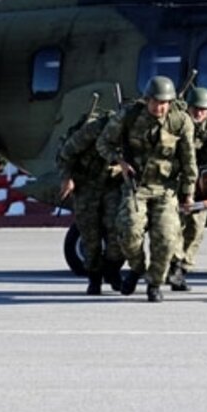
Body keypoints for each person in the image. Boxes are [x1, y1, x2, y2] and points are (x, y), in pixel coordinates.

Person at [96, 76, 197, 303]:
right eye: (155, 102)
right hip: (136, 186)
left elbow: (189, 161)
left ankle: (155, 282)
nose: (159, 107)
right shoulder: (129, 117)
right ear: (147, 99)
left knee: (166, 237)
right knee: (129, 231)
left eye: (164, 102)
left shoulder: (181, 121)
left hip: (165, 189)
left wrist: (188, 193)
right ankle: (138, 267)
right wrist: (119, 161)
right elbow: (103, 143)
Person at [56, 109, 124, 295]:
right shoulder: (93, 129)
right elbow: (66, 153)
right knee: (90, 234)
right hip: (86, 183)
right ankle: (94, 278)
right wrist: (67, 178)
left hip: (112, 183)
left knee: (118, 228)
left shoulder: (132, 130)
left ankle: (113, 271)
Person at [168, 86, 207, 292]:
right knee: (173, 225)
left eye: (203, 109)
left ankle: (181, 269)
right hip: (176, 176)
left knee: (196, 227)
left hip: (200, 177)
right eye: (195, 108)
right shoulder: (177, 123)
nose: (199, 112)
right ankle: (171, 264)